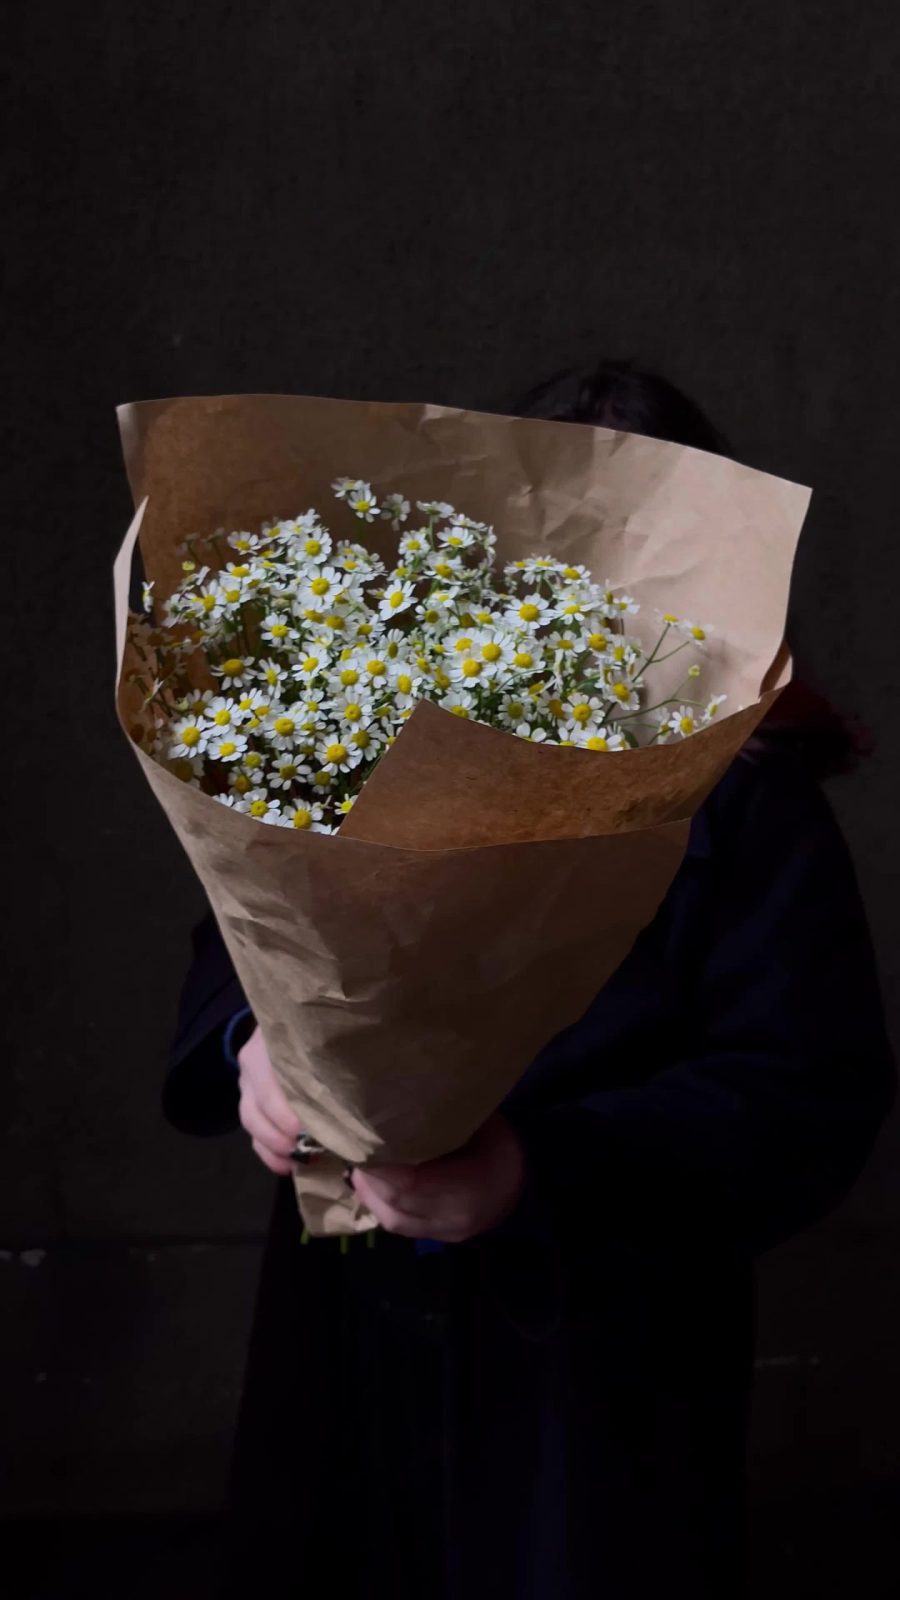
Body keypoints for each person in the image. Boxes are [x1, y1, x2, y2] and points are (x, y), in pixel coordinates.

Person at [164, 358, 896, 1600]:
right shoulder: (370, 736)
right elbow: (239, 937)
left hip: (596, 1372)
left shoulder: (753, 803)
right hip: (352, 1330)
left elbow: (807, 1092)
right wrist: (255, 1043)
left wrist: (537, 1176)